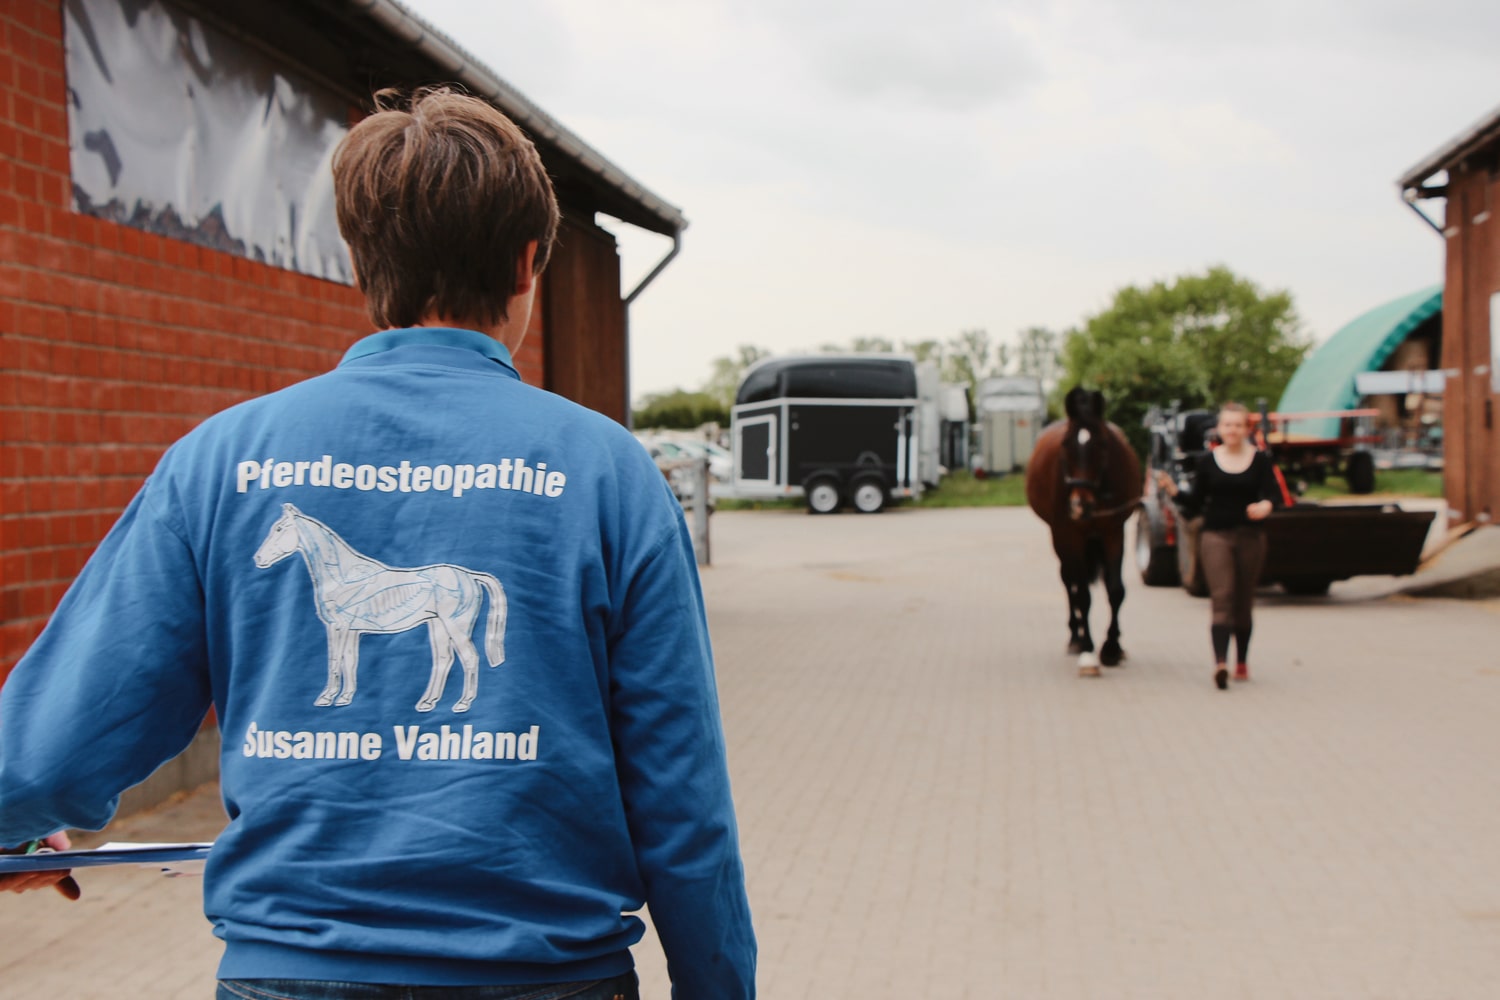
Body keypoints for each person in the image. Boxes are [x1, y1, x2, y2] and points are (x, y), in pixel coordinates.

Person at [0, 88, 756, 1000]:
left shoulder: (221, 464)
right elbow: (684, 806)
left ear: (362, 266)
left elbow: (46, 747)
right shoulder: (610, 474)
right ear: (528, 266)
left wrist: (12, 829)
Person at [1155, 402, 1284, 690]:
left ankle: (1241, 661)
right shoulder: (1207, 462)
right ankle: (1220, 663)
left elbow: (1273, 495)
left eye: (1238, 425)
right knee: (1222, 597)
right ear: (1219, 429)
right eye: (1227, 425)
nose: (1232, 430)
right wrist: (1174, 491)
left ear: (1247, 429)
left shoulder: (1261, 460)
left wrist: (1265, 505)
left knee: (1243, 600)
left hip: (1250, 537)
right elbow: (1195, 503)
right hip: (1216, 537)